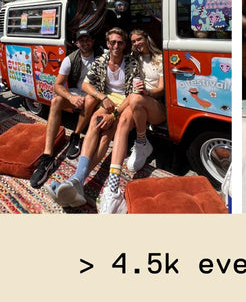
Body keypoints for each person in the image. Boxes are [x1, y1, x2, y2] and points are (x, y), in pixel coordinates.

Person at [53, 26, 141, 209]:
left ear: (125, 45)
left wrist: (114, 115)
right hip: (107, 101)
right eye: (113, 42)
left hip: (125, 104)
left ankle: (76, 180)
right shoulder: (102, 60)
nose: (116, 46)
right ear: (107, 43)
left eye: (120, 43)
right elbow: (86, 85)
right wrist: (102, 97)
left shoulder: (131, 63)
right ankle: (77, 181)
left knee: (106, 134)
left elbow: (133, 94)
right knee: (95, 123)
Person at [97, 28, 166, 214]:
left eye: (139, 39)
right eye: (133, 41)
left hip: (156, 105)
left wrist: (147, 92)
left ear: (147, 38)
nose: (136, 43)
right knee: (122, 123)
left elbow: (161, 89)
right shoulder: (134, 60)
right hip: (136, 104)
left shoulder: (160, 58)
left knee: (135, 98)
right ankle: (113, 188)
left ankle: (142, 141)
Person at [29, 28, 99, 189]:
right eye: (81, 40)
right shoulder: (70, 59)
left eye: (88, 39)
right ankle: (48, 156)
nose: (85, 42)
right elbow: (57, 85)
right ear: (76, 43)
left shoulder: (101, 56)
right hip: (76, 93)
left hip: (94, 94)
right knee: (55, 101)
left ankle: (76, 136)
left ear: (93, 41)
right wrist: (71, 97)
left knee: (90, 99)